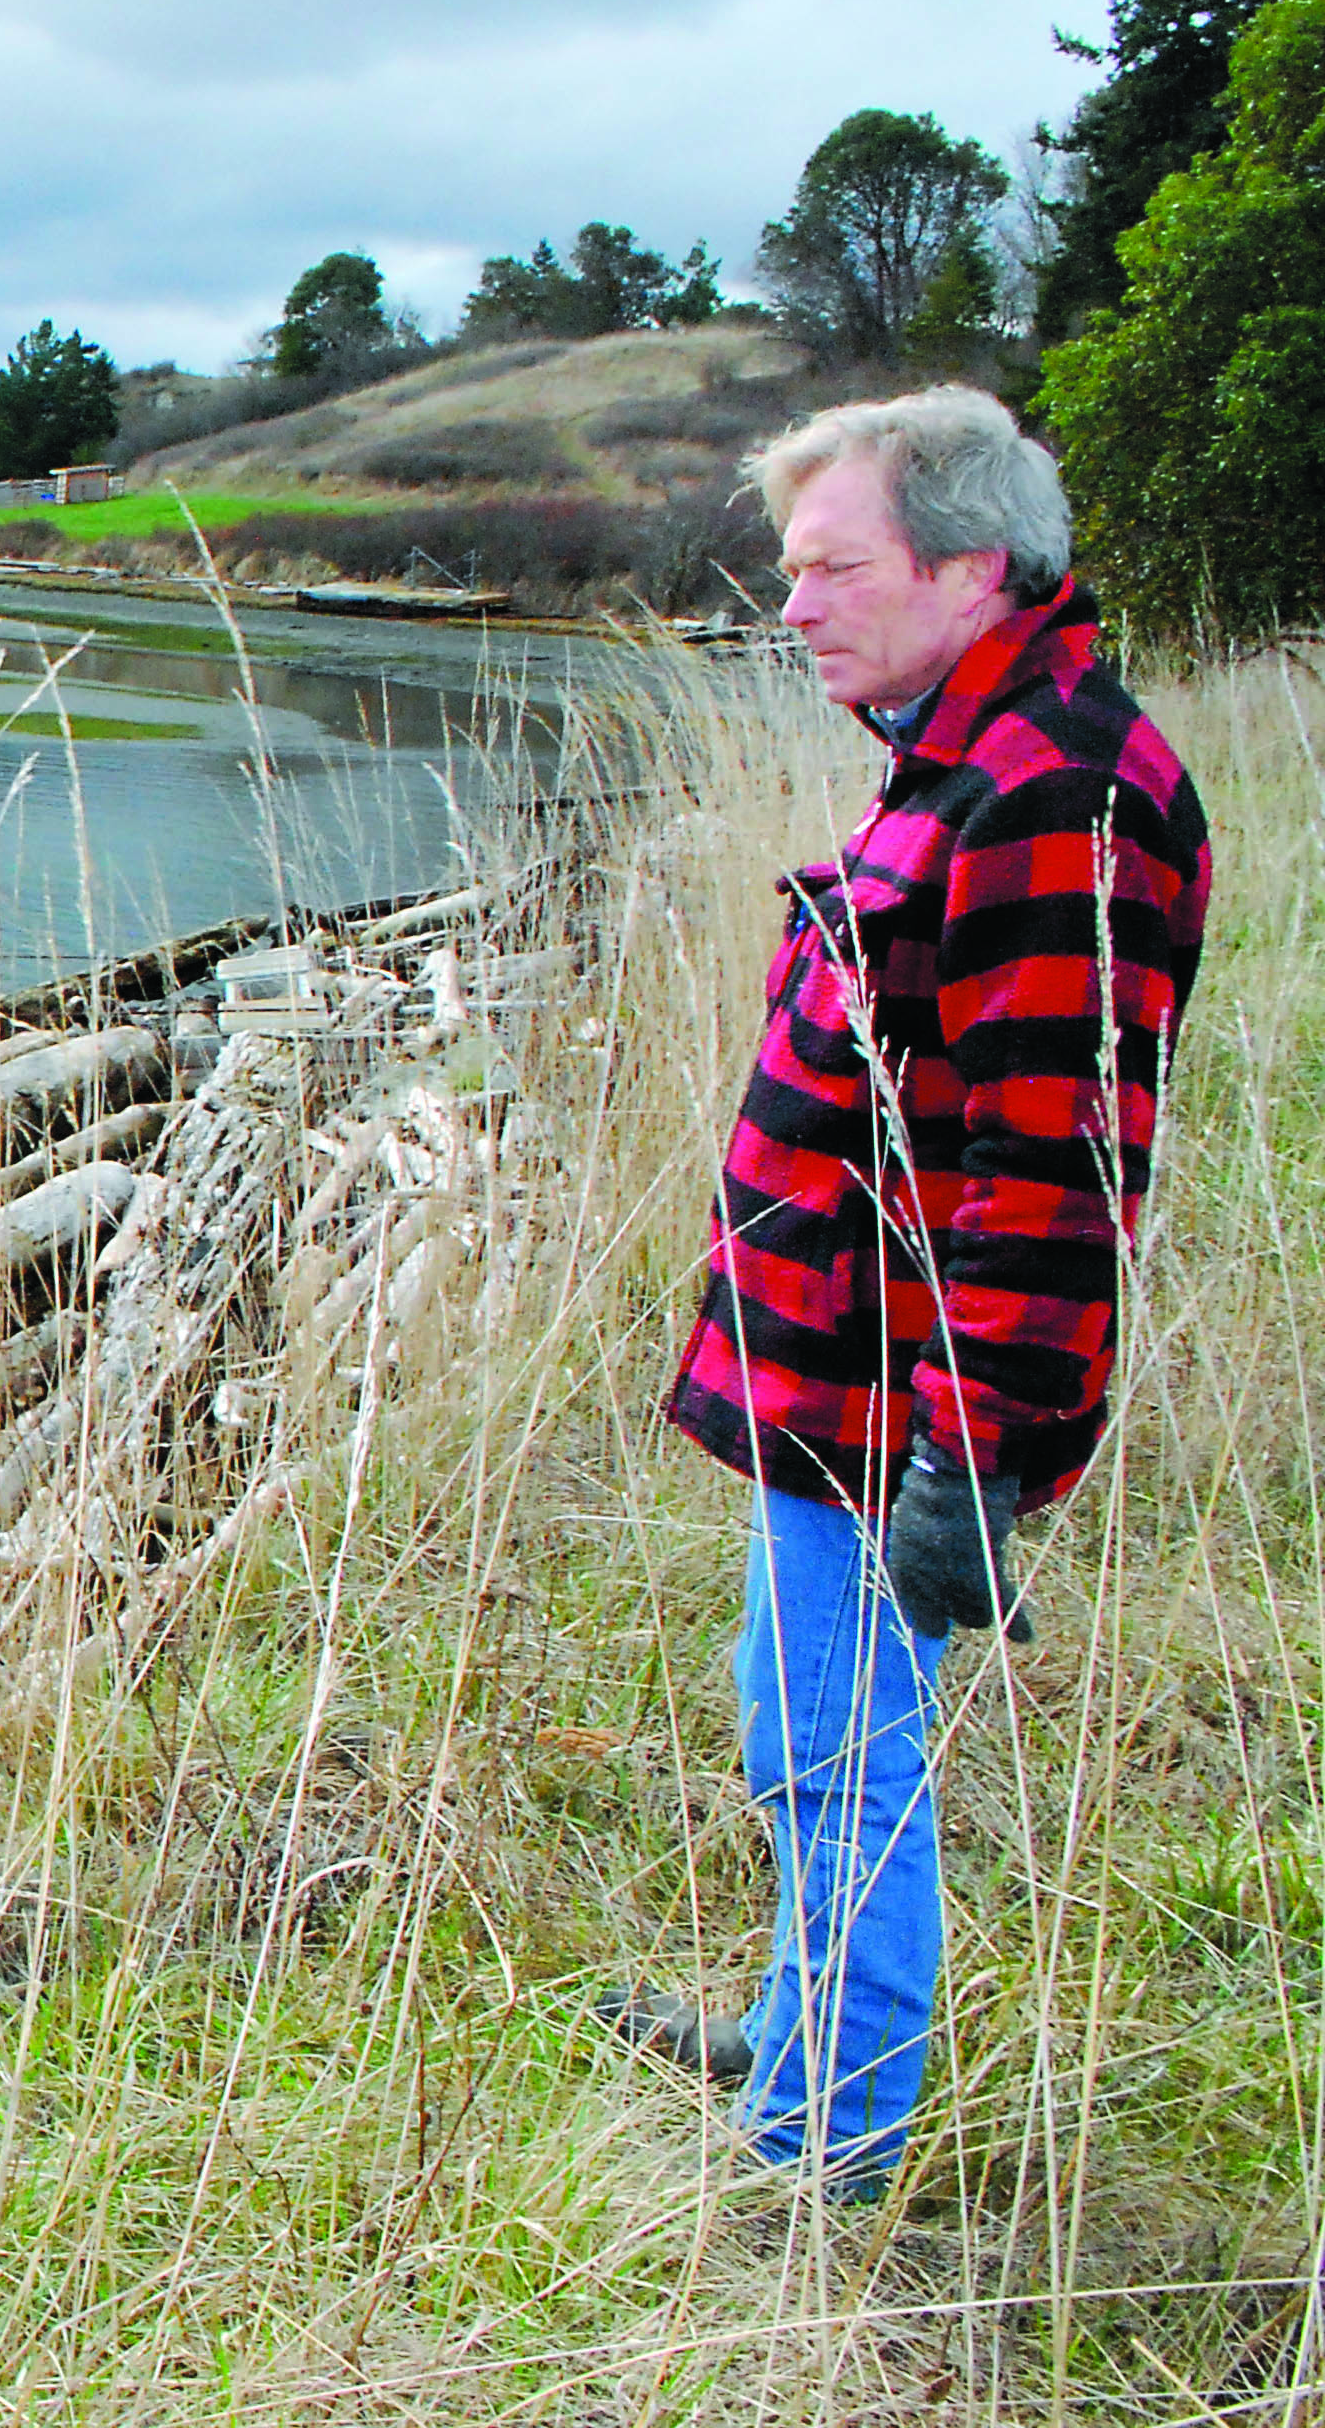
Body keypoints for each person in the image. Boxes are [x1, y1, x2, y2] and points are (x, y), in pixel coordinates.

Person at [611, 386, 1212, 2185]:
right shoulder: (971, 752)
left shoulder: (1060, 794)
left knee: (834, 1758)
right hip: (837, 1374)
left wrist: (982, 1450)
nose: (791, 607)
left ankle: (825, 2139)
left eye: (831, 569)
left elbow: (1056, 1167)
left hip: (901, 1399)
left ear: (967, 562)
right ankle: (811, 2029)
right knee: (802, 1728)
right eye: (787, 573)